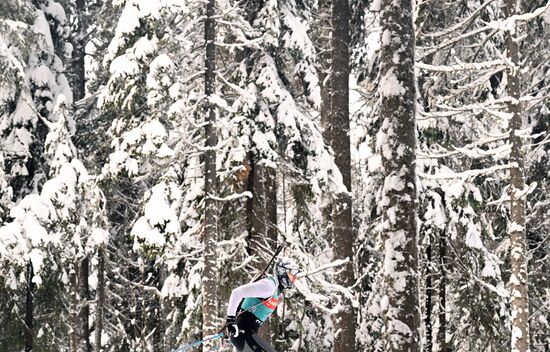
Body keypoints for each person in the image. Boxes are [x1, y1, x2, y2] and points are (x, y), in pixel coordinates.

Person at [225, 257, 299, 352]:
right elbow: (236, 293)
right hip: (242, 334)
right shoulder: (268, 286)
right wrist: (230, 321)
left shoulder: (275, 290)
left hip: (247, 335)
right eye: (292, 273)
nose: (294, 278)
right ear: (282, 271)